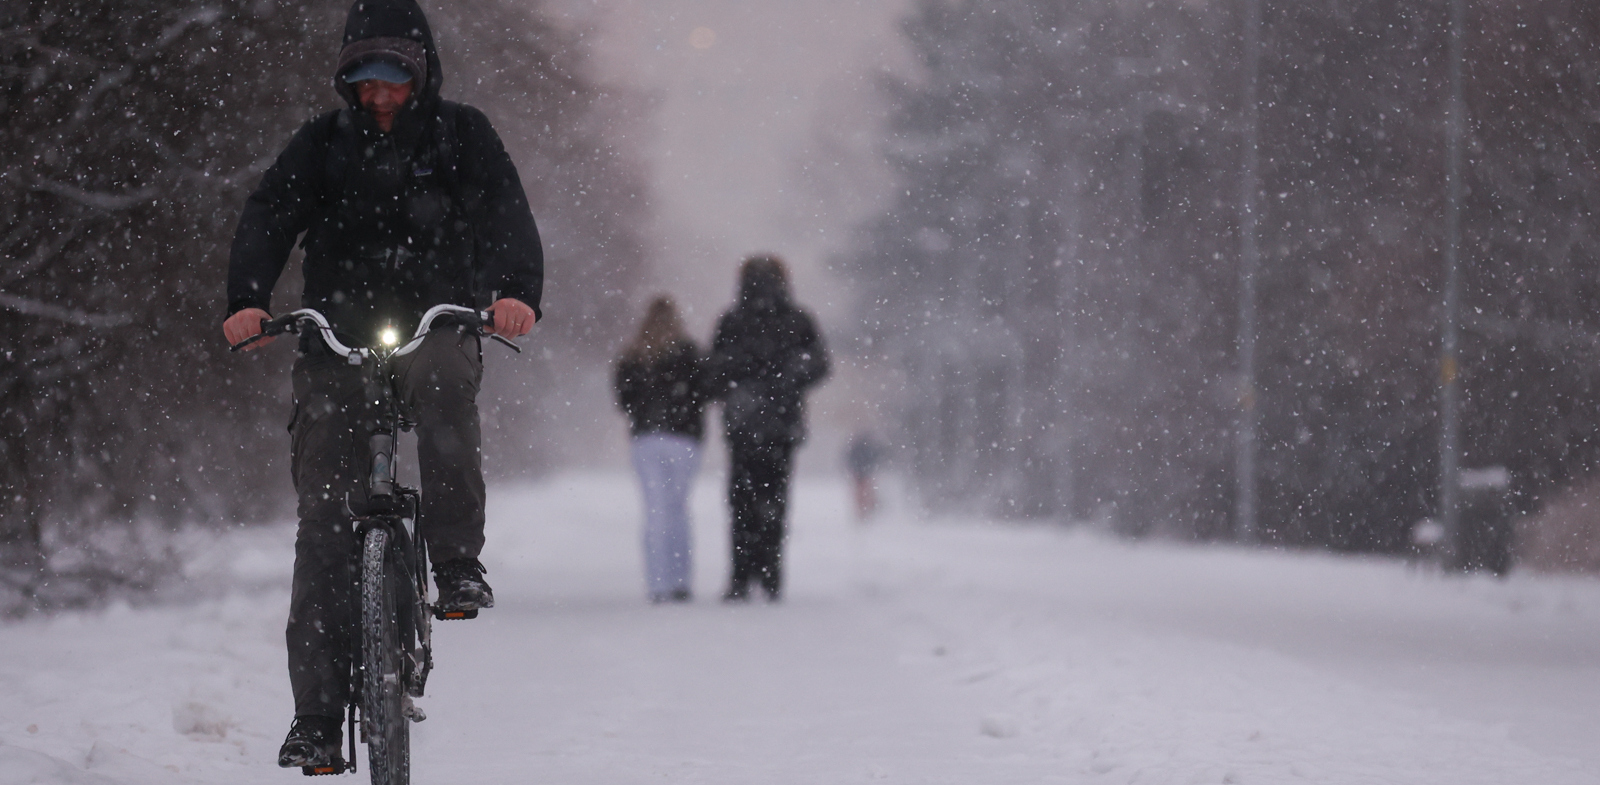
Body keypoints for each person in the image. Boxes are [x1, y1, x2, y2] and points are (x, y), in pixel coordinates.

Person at [221, 0, 542, 769]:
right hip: (339, 333)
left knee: (442, 387)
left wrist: (514, 289)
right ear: (348, 79)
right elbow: (270, 213)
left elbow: (505, 211)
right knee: (323, 523)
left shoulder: (463, 135)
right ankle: (318, 718)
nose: (381, 93)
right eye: (365, 79)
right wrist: (247, 298)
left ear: (419, 72)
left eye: (394, 76)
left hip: (437, 320)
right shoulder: (321, 144)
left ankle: (459, 561)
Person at [706, 256, 829, 602]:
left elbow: (713, 370)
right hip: (781, 426)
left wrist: (738, 378)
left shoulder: (732, 320)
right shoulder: (797, 320)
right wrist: (788, 378)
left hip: (743, 425)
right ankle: (771, 575)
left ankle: (741, 576)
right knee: (775, 499)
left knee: (740, 501)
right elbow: (820, 364)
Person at [613, 296, 708, 603]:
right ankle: (681, 580)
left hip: (646, 438)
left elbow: (623, 401)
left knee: (655, 511)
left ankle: (657, 583)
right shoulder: (689, 353)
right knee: (678, 509)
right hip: (683, 439)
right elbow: (704, 392)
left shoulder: (633, 356)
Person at [845, 432, 885, 521]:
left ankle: (863, 510)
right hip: (864, 472)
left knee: (862, 492)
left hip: (860, 472)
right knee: (866, 491)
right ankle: (866, 510)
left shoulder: (855, 448)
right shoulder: (867, 448)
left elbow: (849, 458)